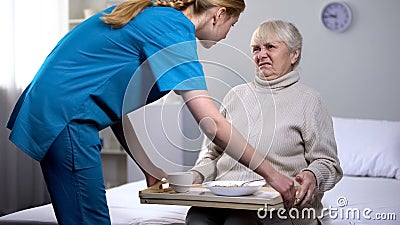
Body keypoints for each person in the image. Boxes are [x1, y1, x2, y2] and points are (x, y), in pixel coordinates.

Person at [6, 1, 297, 225]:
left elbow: (118, 110)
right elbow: (213, 125)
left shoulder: (156, 17)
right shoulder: (172, 29)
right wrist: (274, 175)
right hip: (66, 118)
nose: (228, 32)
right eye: (232, 24)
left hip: (56, 111)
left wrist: (148, 168)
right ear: (218, 14)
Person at [186, 20, 343, 225]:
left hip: (276, 205)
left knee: (237, 222)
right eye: (256, 49)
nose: (261, 55)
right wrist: (197, 174)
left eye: (270, 47)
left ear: (295, 54)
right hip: (223, 199)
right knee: (196, 218)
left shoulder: (309, 101)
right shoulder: (235, 95)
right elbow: (212, 153)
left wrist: (313, 175)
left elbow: (329, 163)